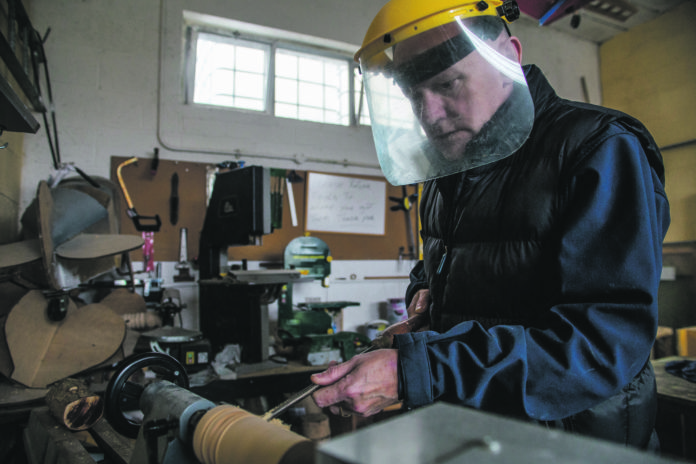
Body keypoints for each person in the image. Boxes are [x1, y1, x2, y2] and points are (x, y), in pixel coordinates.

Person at [311, 0, 670, 450]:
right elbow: (438, 277)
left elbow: (602, 345)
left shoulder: (596, 148)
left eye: (446, 84)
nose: (430, 115)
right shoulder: (448, 173)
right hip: (474, 437)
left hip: (574, 446)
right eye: (412, 95)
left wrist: (419, 370)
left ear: (510, 57)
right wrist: (425, 316)